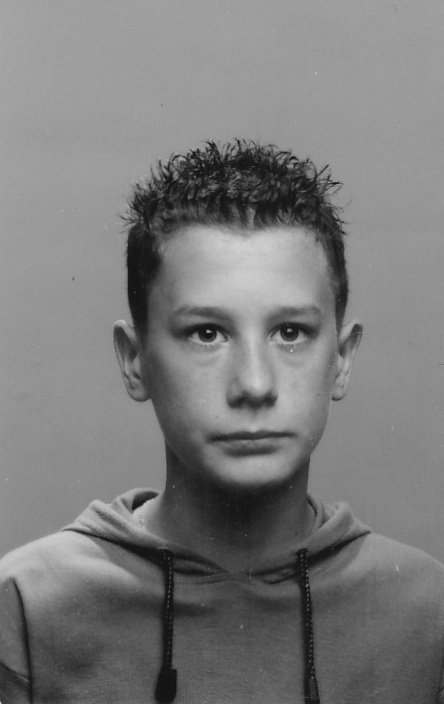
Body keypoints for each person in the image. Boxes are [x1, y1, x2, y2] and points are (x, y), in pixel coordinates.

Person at [1, 140, 443, 704]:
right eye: (207, 333)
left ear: (342, 358)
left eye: (291, 333)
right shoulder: (29, 604)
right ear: (134, 360)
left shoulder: (426, 611)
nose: (254, 384)